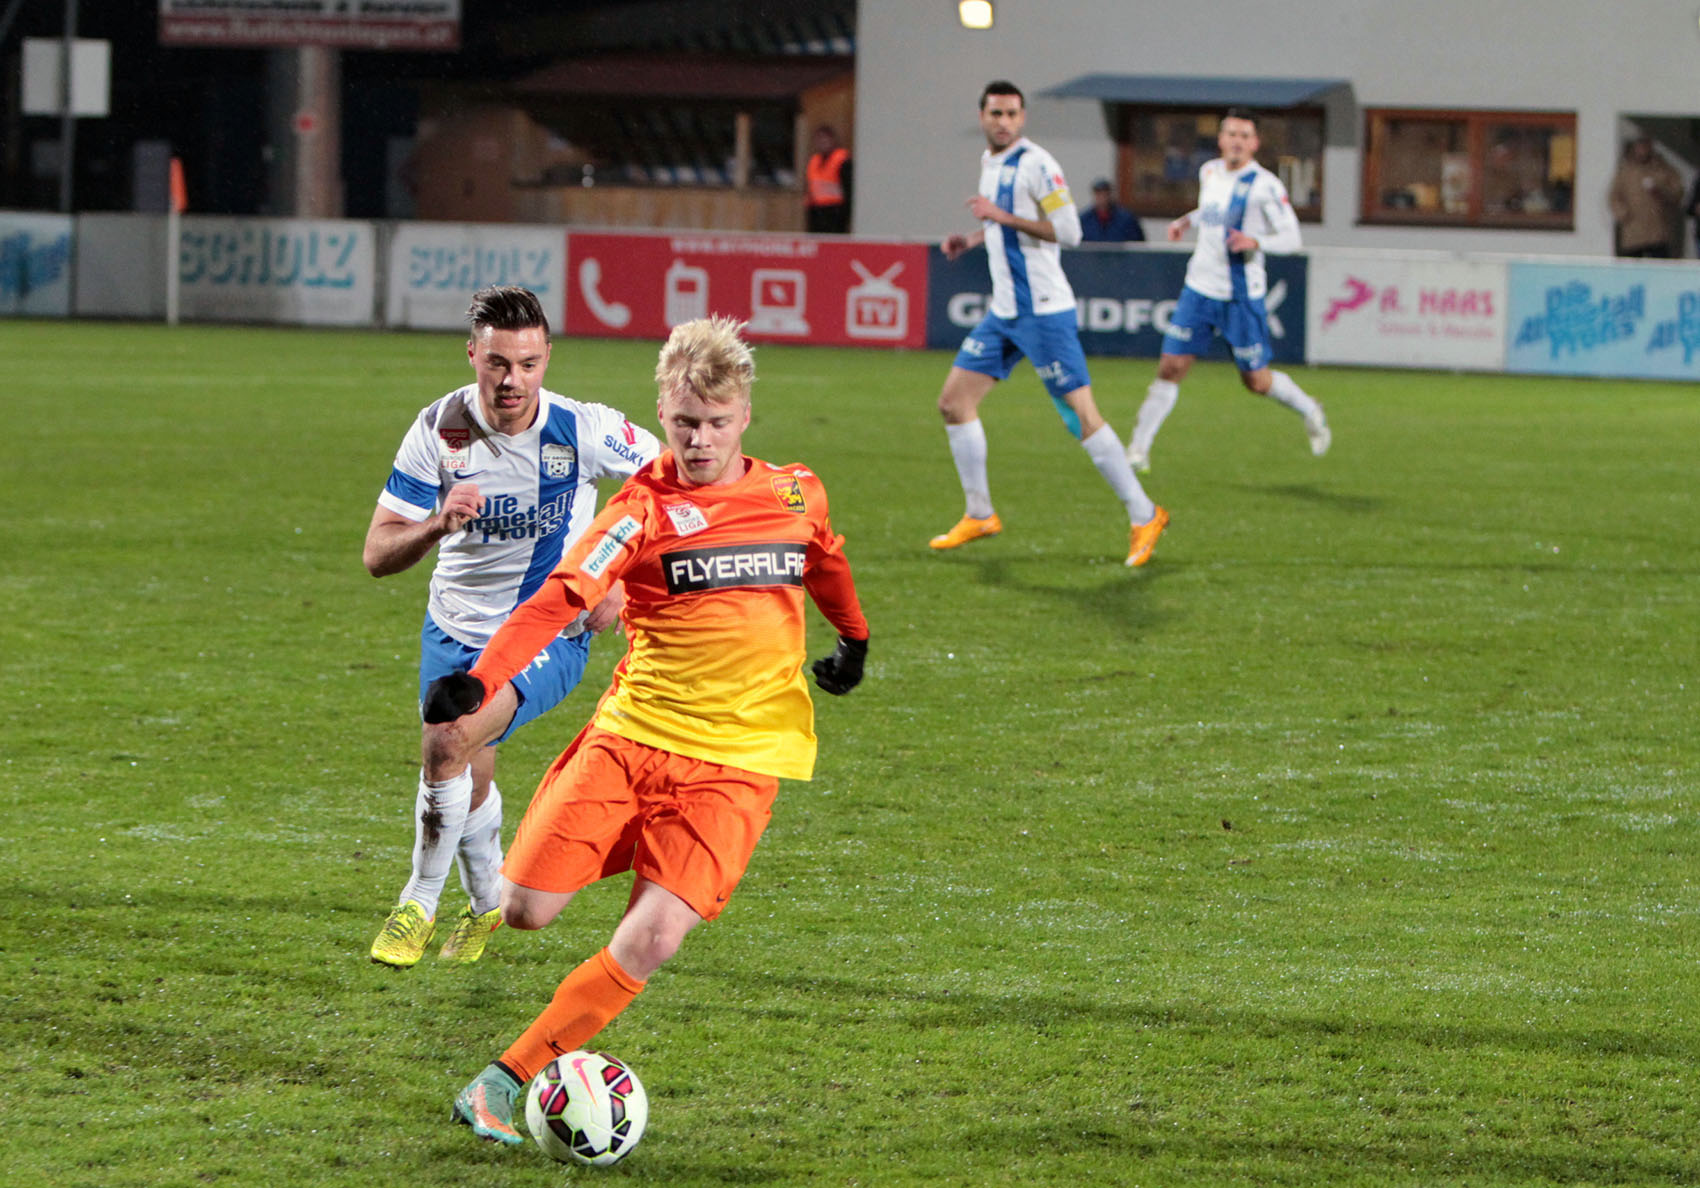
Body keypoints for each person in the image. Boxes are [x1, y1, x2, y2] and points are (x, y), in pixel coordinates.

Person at [438, 316, 870, 1145]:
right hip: (633, 740)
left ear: (744, 416)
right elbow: (561, 598)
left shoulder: (794, 494)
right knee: (524, 909)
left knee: (655, 936)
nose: (700, 440)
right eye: (684, 423)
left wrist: (853, 638)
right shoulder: (638, 512)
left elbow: (825, 559)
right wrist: (482, 681)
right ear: (663, 414)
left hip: (737, 764)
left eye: (716, 423)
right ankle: (624, 845)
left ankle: (502, 1080)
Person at [365, 285, 661, 968]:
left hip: (548, 631)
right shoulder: (438, 429)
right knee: (467, 775)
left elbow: (676, 488)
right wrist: (437, 524)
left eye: (528, 364)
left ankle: (417, 903)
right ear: (472, 355)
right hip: (453, 628)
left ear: (547, 358)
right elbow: (378, 554)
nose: (512, 380)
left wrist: (620, 576)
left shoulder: (583, 428)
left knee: (447, 739)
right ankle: (485, 905)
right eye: (498, 362)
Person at [931, 80, 1167, 568]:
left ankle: (1145, 514)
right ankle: (980, 513)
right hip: (1005, 312)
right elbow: (1003, 223)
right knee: (954, 404)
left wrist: (1000, 216)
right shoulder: (991, 162)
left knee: (1081, 417)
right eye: (995, 113)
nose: (1003, 122)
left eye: (1012, 114)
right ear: (982, 116)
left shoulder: (1038, 164)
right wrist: (973, 238)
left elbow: (1070, 231)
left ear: (1022, 118)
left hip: (1042, 312)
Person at [1127, 108, 1330, 474]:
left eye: (1244, 136)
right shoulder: (1209, 172)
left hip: (1241, 296)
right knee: (1171, 366)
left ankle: (1309, 408)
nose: (1237, 141)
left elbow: (1292, 238)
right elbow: (1212, 212)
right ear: (1220, 139)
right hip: (1199, 287)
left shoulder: (1265, 186)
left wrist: (1256, 241)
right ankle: (1137, 449)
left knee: (1256, 381)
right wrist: (1186, 220)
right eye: (1231, 134)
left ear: (1255, 143)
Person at [1609, 136, 1681, 258]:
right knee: (1632, 265)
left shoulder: (1663, 169)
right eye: (1640, 147)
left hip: (1658, 231)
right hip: (1633, 231)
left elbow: (1677, 192)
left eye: (1645, 147)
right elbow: (1614, 196)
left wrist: (1662, 192)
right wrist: (1623, 213)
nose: (1643, 150)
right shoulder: (1626, 172)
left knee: (1659, 264)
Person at [804, 125, 853, 234]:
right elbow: (810, 189)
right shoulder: (814, 161)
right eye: (819, 139)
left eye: (825, 139)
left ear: (833, 140)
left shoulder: (842, 160)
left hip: (835, 212)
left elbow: (849, 190)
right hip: (816, 212)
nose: (822, 143)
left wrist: (845, 216)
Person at [1080, 178, 1145, 243]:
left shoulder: (1127, 219)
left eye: (1105, 194)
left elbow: (1138, 243)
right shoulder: (1084, 219)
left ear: (1110, 195)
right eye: (1098, 194)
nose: (1102, 198)